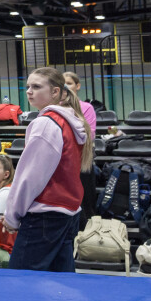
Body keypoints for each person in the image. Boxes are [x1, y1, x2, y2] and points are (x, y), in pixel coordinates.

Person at [3, 67, 88, 272]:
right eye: (28, 86)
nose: (29, 91)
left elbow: (30, 178)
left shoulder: (46, 123)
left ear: (55, 92)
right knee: (60, 283)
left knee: (20, 282)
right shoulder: (70, 121)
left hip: (44, 215)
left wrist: (12, 216)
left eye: (36, 86)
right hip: (67, 213)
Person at [63, 71, 99, 231]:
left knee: (85, 197)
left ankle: (88, 232)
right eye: (62, 84)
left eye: (69, 83)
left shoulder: (86, 107)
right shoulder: (56, 108)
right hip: (63, 158)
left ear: (77, 86)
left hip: (82, 156)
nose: (65, 87)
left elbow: (89, 134)